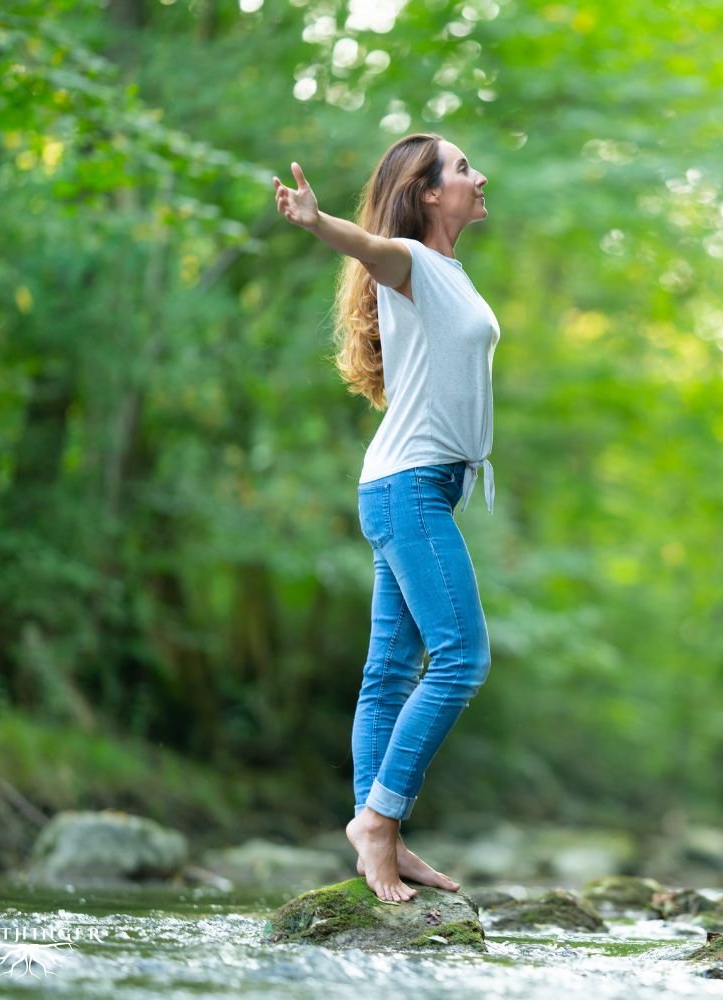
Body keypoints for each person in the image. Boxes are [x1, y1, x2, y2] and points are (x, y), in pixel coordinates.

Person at [272, 133, 498, 903]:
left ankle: (381, 838)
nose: (479, 176)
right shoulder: (409, 259)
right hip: (408, 487)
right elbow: (367, 245)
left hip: (413, 486)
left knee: (390, 672)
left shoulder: (449, 274)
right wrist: (315, 220)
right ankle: (378, 819)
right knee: (462, 656)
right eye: (464, 168)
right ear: (428, 192)